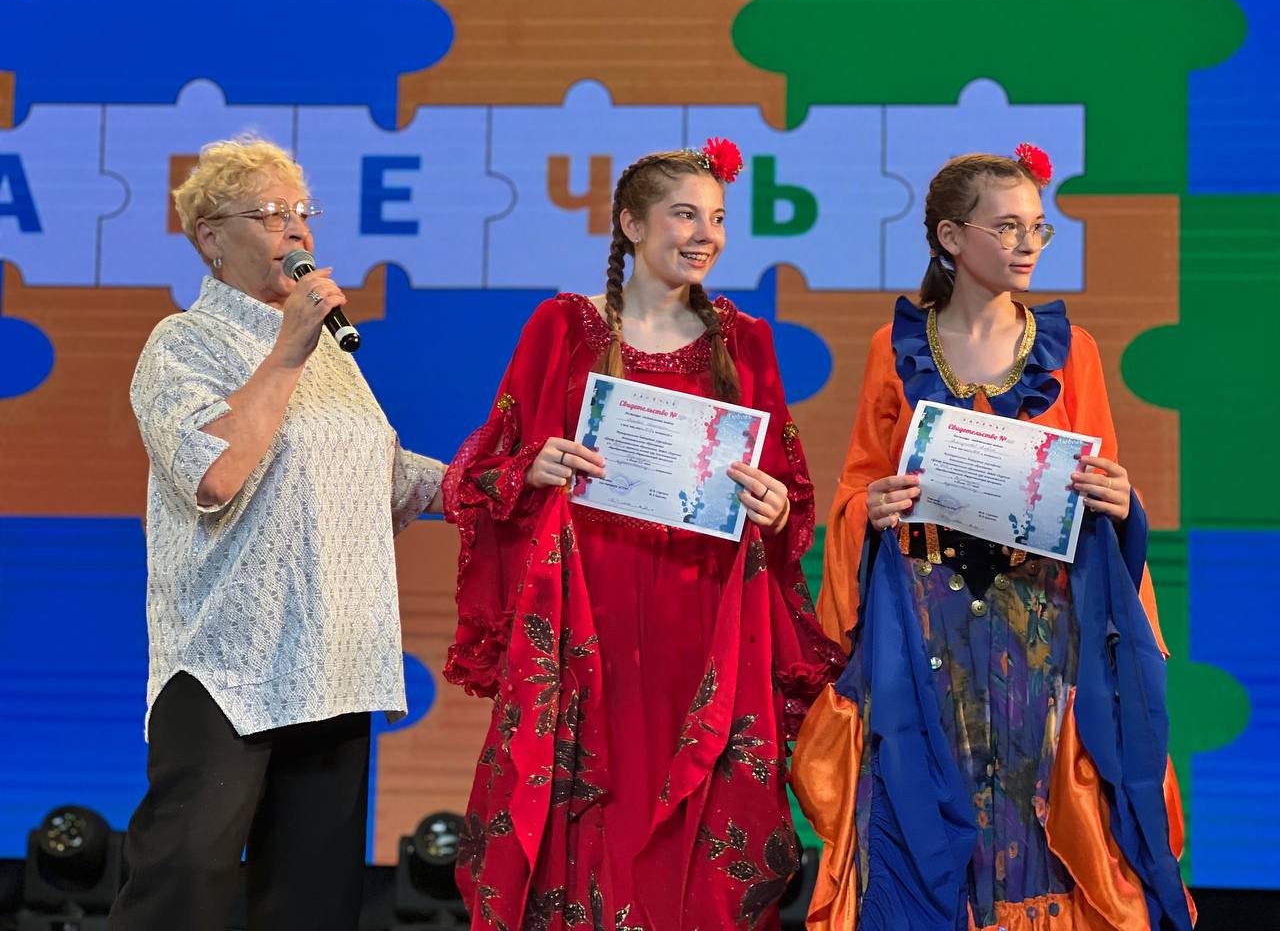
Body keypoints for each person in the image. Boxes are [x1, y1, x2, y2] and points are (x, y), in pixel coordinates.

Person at [442, 139, 844, 930]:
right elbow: (484, 471)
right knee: (593, 803)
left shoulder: (745, 340)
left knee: (701, 812)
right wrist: (534, 465)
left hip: (702, 614)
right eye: (685, 215)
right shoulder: (564, 327)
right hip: (588, 611)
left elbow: (788, 490)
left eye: (717, 218)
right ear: (631, 224)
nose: (705, 234)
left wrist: (774, 505)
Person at [791, 145, 1195, 930]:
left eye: (1037, 227)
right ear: (951, 237)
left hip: (1038, 623)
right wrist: (872, 504)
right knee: (934, 797)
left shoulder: (1071, 351)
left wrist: (1119, 500)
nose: (1027, 243)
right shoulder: (894, 349)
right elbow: (858, 485)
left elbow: (1099, 477)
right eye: (1006, 226)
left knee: (1034, 805)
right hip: (927, 619)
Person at [108, 137, 446, 931]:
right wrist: (289, 348)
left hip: (335, 657)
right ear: (211, 238)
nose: (296, 230)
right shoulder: (183, 343)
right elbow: (213, 473)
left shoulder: (331, 352)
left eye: (302, 212)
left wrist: (496, 482)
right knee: (182, 882)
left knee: (312, 900)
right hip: (229, 659)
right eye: (268, 214)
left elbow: (384, 473)